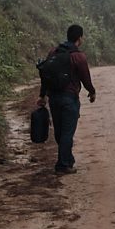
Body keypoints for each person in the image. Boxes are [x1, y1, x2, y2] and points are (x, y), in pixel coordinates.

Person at [36, 24, 96, 175]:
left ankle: (67, 159)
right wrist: (92, 91)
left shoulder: (53, 52)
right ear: (79, 38)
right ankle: (62, 165)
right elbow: (85, 78)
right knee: (68, 132)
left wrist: (42, 95)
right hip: (69, 98)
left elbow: (45, 74)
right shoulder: (78, 56)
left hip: (53, 97)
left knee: (60, 131)